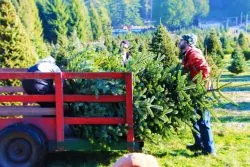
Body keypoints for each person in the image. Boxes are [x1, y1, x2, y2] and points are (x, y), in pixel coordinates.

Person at [178, 34, 215, 156]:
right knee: (194, 118)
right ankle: (199, 143)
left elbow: (205, 70)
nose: (179, 42)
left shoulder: (194, 53)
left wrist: (199, 85)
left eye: (182, 40)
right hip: (193, 91)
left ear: (188, 42)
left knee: (203, 120)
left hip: (201, 92)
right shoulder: (187, 55)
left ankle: (209, 150)